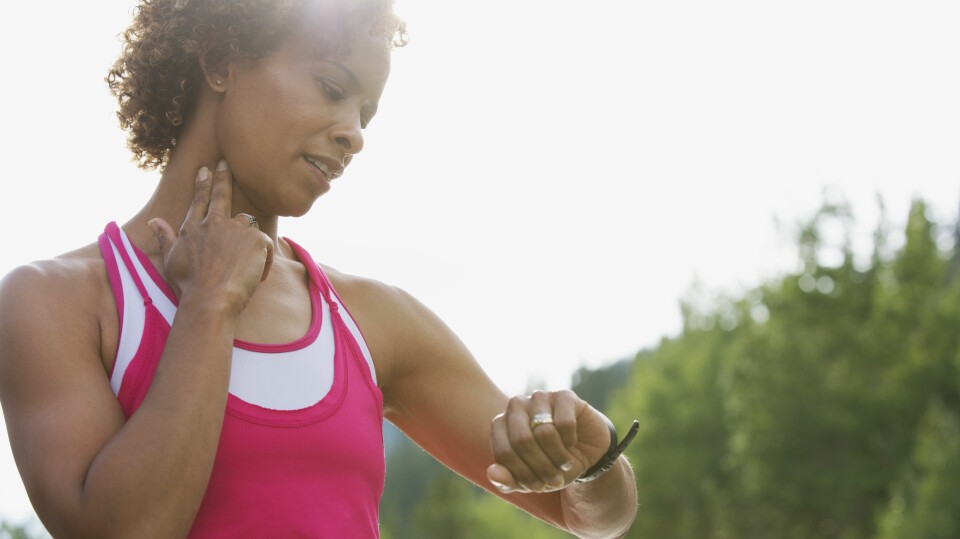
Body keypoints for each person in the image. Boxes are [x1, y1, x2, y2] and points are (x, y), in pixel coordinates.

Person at [0, 0, 638, 537]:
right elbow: (123, 531)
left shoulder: (374, 320)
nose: (354, 134)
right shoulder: (54, 302)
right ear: (219, 61)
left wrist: (593, 457)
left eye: (366, 114)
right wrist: (208, 305)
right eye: (333, 89)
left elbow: (588, 515)